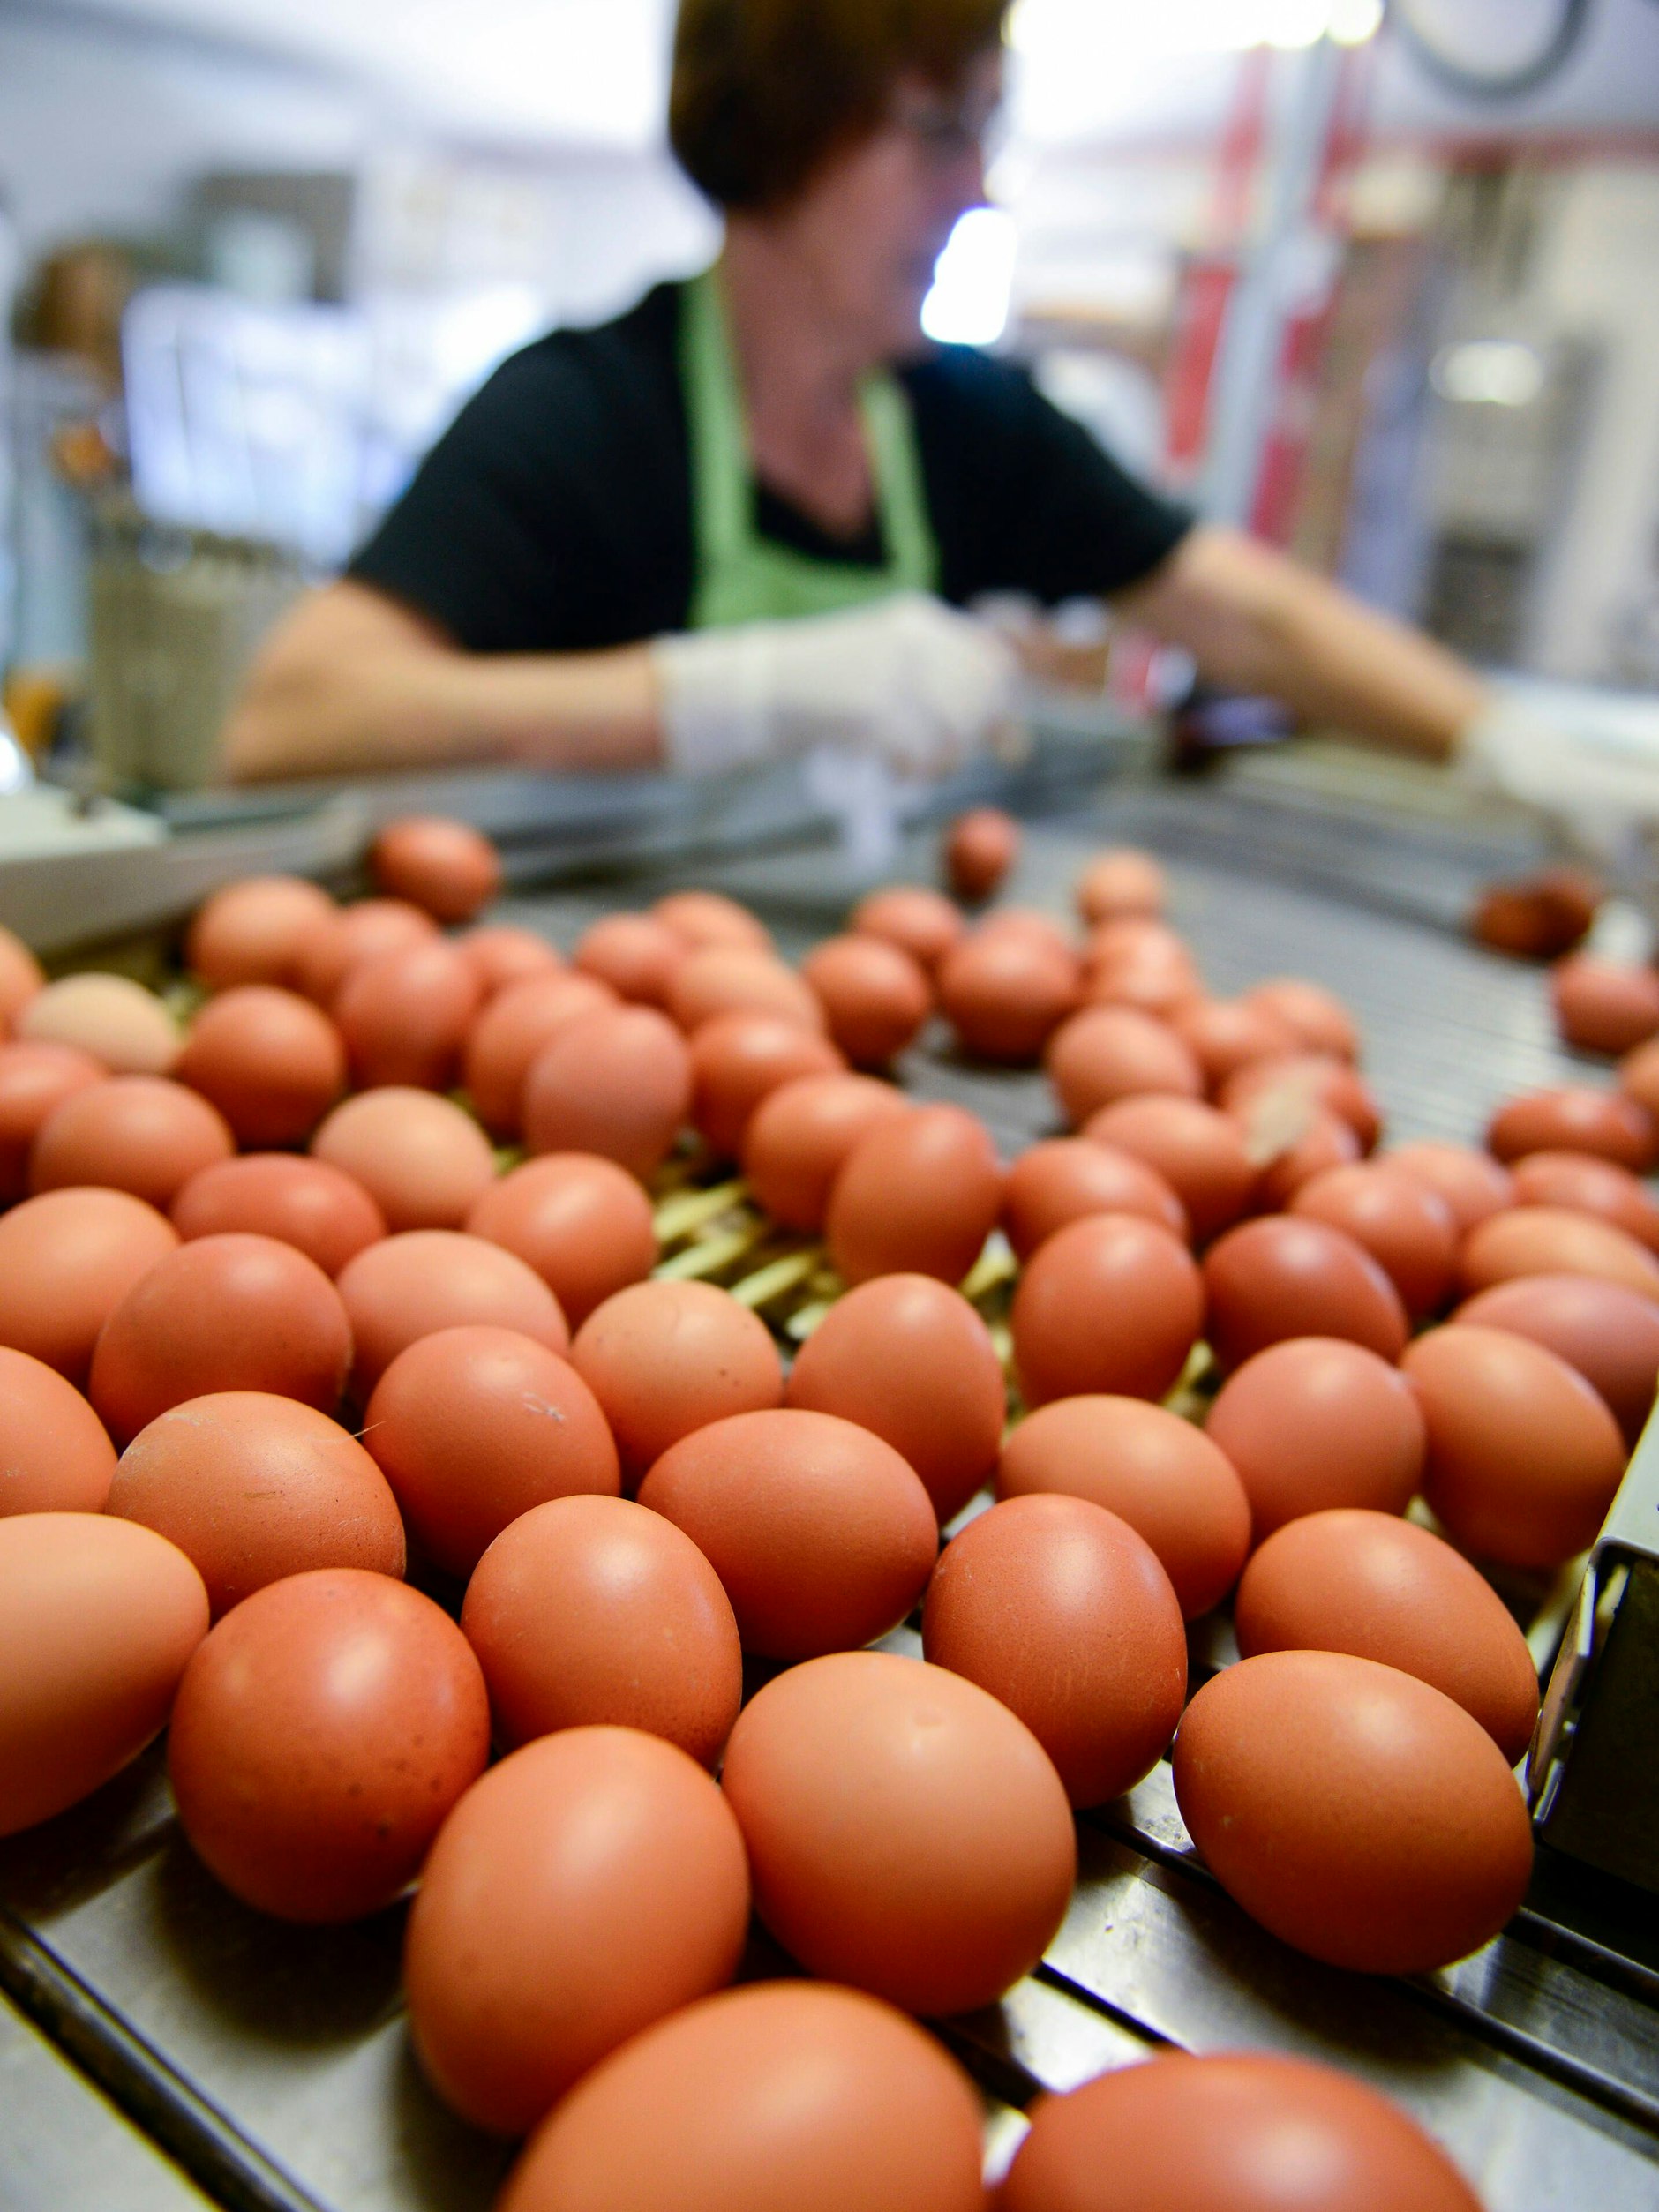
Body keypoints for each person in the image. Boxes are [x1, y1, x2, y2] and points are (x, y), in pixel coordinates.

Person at [218, 0, 1549, 816]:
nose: (975, 190)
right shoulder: (584, 416)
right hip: (594, 1003)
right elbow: (290, 720)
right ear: (780, 131)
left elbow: (1242, 610)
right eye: (933, 130)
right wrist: (727, 694)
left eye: (983, 135)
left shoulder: (971, 424)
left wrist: (1498, 743)